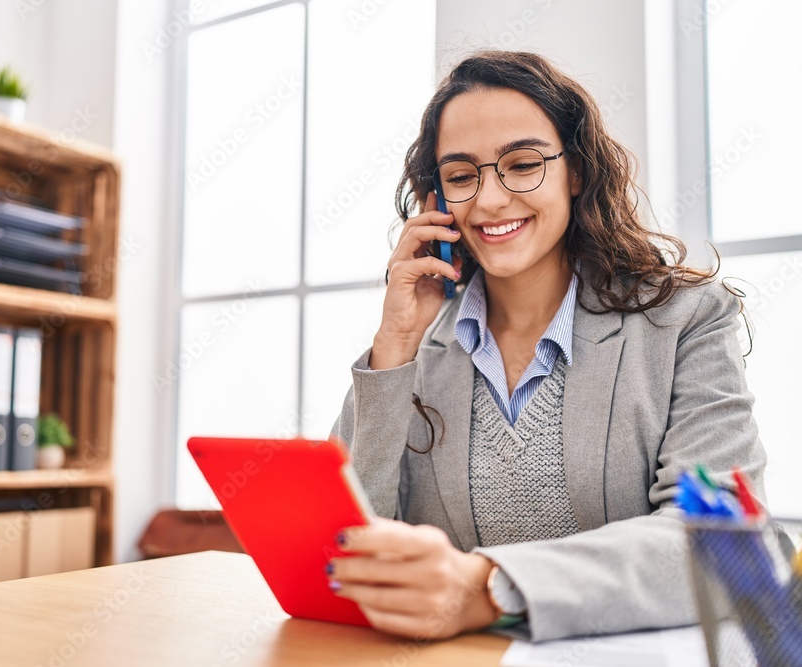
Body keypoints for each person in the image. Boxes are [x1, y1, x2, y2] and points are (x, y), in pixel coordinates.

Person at [327, 51, 767, 643]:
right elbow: (342, 551)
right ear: (437, 200)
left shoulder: (687, 319)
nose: (489, 200)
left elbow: (722, 541)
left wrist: (487, 586)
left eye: (522, 163)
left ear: (577, 170)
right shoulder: (416, 345)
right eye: (461, 175)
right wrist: (395, 346)